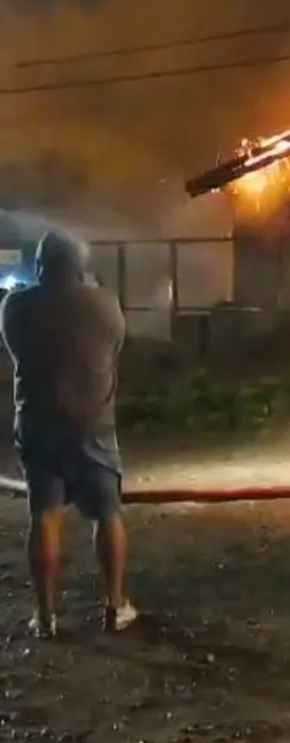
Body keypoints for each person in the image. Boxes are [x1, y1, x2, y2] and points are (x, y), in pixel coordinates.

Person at [0, 230, 138, 638]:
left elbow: (14, 348)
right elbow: (113, 352)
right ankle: (115, 606)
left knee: (43, 516)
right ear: (82, 266)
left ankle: (45, 616)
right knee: (108, 513)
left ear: (42, 265)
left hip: (38, 425)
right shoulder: (106, 304)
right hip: (93, 425)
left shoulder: (15, 306)